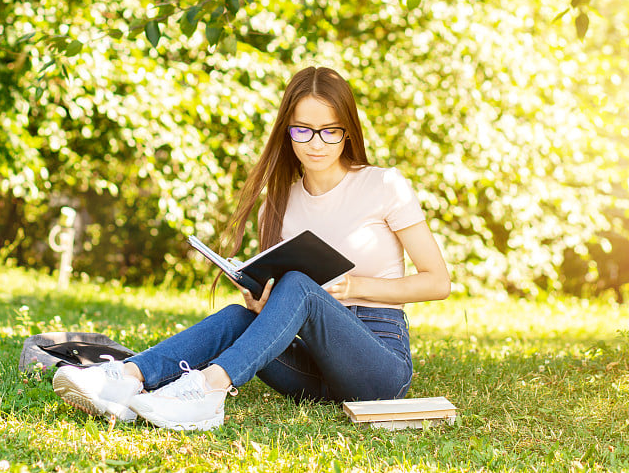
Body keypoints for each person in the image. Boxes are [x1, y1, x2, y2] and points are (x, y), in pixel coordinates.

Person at [52, 66, 451, 431]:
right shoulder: (279, 204)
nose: (317, 143)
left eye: (330, 130)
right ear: (286, 132)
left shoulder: (383, 185)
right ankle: (126, 378)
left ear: (348, 130)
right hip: (311, 371)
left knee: (298, 285)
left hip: (377, 362)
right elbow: (282, 296)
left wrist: (354, 287)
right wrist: (265, 301)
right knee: (237, 316)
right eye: (303, 131)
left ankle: (209, 390)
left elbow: (437, 283)